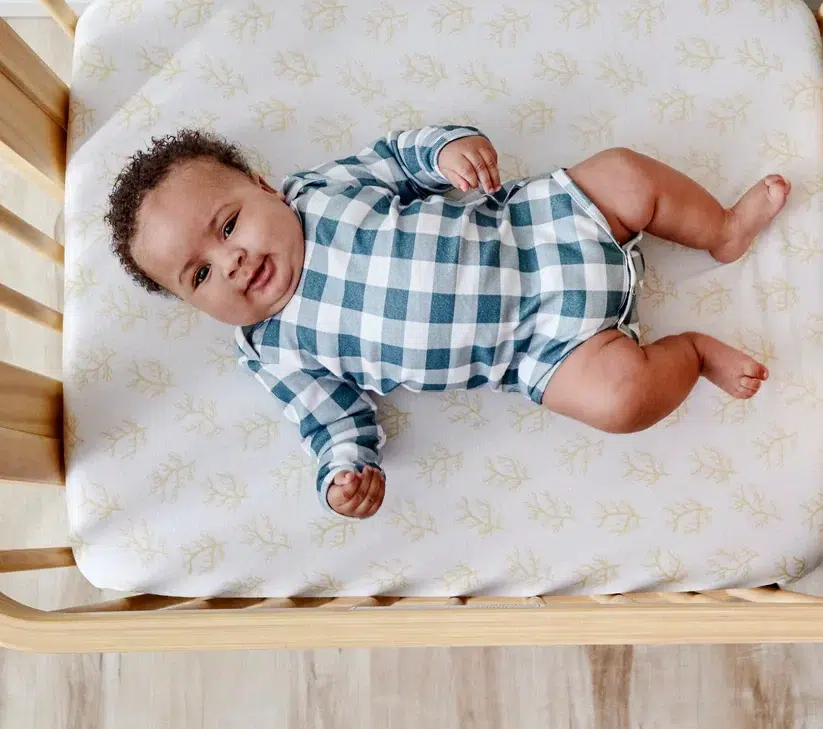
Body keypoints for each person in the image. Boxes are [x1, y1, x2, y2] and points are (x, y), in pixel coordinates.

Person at [106, 126, 788, 520]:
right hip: (544, 348)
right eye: (198, 274)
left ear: (264, 186)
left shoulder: (322, 191)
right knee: (620, 401)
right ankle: (690, 353)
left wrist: (446, 151)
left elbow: (400, 156)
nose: (231, 262)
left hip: (539, 223)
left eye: (228, 225)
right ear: (195, 305)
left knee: (623, 173)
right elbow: (332, 420)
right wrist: (343, 469)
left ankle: (720, 230)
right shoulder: (274, 348)